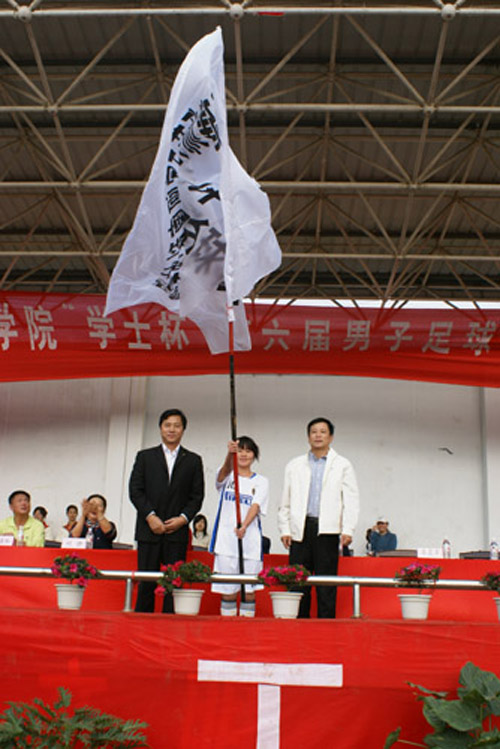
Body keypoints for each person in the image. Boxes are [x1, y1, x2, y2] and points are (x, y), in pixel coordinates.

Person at [278, 417, 359, 619]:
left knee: (326, 583)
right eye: (314, 432)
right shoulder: (295, 464)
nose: (318, 436)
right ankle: (298, 623)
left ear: (330, 437)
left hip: (327, 531)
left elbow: (351, 499)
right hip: (300, 530)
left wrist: (348, 529)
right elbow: (285, 500)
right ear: (308, 437)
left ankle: (326, 626)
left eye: (323, 432)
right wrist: (285, 529)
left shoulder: (342, 465)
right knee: (298, 582)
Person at [129, 408, 204, 613]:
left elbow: (197, 496)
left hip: (176, 532)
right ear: (160, 428)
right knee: (146, 584)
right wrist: (150, 516)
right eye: (167, 425)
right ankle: (142, 623)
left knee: (174, 585)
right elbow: (135, 490)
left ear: (183, 430)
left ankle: (171, 624)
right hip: (148, 530)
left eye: (177, 426)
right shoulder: (145, 457)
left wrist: (183, 519)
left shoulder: (193, 460)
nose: (172, 429)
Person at [210, 437, 269, 618]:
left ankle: (246, 627)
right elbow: (222, 474)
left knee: (248, 590)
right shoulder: (227, 476)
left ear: (254, 455)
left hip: (249, 542)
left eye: (248, 451)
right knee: (228, 590)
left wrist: (244, 525)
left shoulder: (261, 481)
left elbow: (256, 505)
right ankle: (227, 627)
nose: (244, 454)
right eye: (240, 450)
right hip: (226, 543)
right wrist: (230, 454)